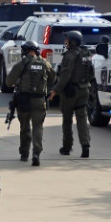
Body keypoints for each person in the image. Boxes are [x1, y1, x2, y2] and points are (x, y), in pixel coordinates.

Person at [6, 40, 55, 166]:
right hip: (39, 100)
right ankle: (36, 153)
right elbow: (53, 78)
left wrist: (16, 82)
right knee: (38, 127)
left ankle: (24, 153)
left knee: (25, 127)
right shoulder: (45, 63)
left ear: (26, 50)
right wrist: (46, 89)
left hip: (24, 100)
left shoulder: (21, 64)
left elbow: (8, 82)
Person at [48, 30, 92, 158]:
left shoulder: (69, 56)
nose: (65, 42)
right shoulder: (86, 54)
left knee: (67, 119)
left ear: (73, 41)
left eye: (67, 40)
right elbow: (91, 73)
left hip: (70, 92)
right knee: (82, 118)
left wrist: (55, 90)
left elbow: (65, 75)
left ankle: (67, 147)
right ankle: (85, 145)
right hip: (84, 90)